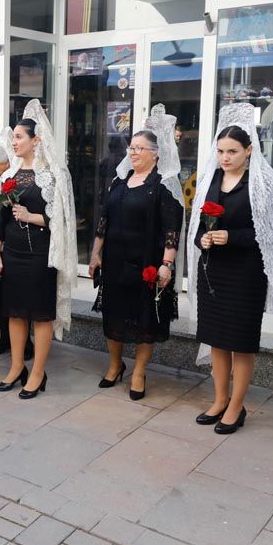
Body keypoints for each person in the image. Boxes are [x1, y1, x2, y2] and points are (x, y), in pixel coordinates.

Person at [187, 105, 273, 434]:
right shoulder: (209, 179)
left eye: (232, 151)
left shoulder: (263, 182)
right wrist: (203, 238)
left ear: (249, 150)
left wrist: (232, 236)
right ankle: (219, 398)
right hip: (213, 271)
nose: (225, 158)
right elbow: (198, 226)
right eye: (220, 151)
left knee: (241, 342)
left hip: (246, 273)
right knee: (217, 339)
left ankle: (237, 404)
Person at [88, 117, 184, 401]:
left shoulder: (163, 184)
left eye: (139, 148)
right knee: (113, 315)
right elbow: (103, 220)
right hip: (115, 261)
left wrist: (166, 264)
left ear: (155, 153)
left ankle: (139, 372)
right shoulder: (120, 181)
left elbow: (171, 230)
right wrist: (95, 254)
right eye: (131, 148)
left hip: (147, 263)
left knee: (144, 321)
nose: (132, 153)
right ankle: (116, 365)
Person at [0, 100, 78, 399]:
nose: (13, 142)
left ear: (35, 140)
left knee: (40, 315)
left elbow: (65, 222)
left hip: (42, 255)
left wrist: (33, 217)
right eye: (13, 136)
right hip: (12, 254)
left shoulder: (55, 175)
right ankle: (17, 367)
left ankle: (38, 372)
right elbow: (1, 218)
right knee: (14, 313)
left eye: (18, 137)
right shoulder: (8, 176)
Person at [0, 128, 32, 359]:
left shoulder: (14, 180)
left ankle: (25, 342)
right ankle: (4, 337)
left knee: (19, 295)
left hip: (14, 243)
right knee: (0, 295)